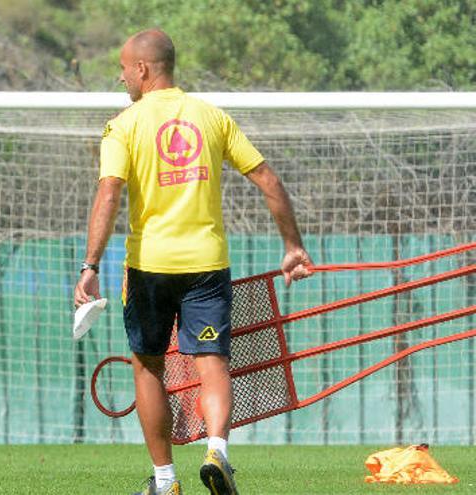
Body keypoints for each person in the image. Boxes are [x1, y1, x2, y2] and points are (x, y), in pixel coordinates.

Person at [73, 29, 312, 495]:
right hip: (206, 263)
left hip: (149, 267)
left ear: (142, 69)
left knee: (148, 369)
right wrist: (293, 245)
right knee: (212, 363)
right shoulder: (212, 116)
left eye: (123, 69)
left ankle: (165, 481)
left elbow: (109, 192)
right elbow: (266, 178)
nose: (121, 77)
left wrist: (90, 264)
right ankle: (217, 451)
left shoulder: (124, 124)